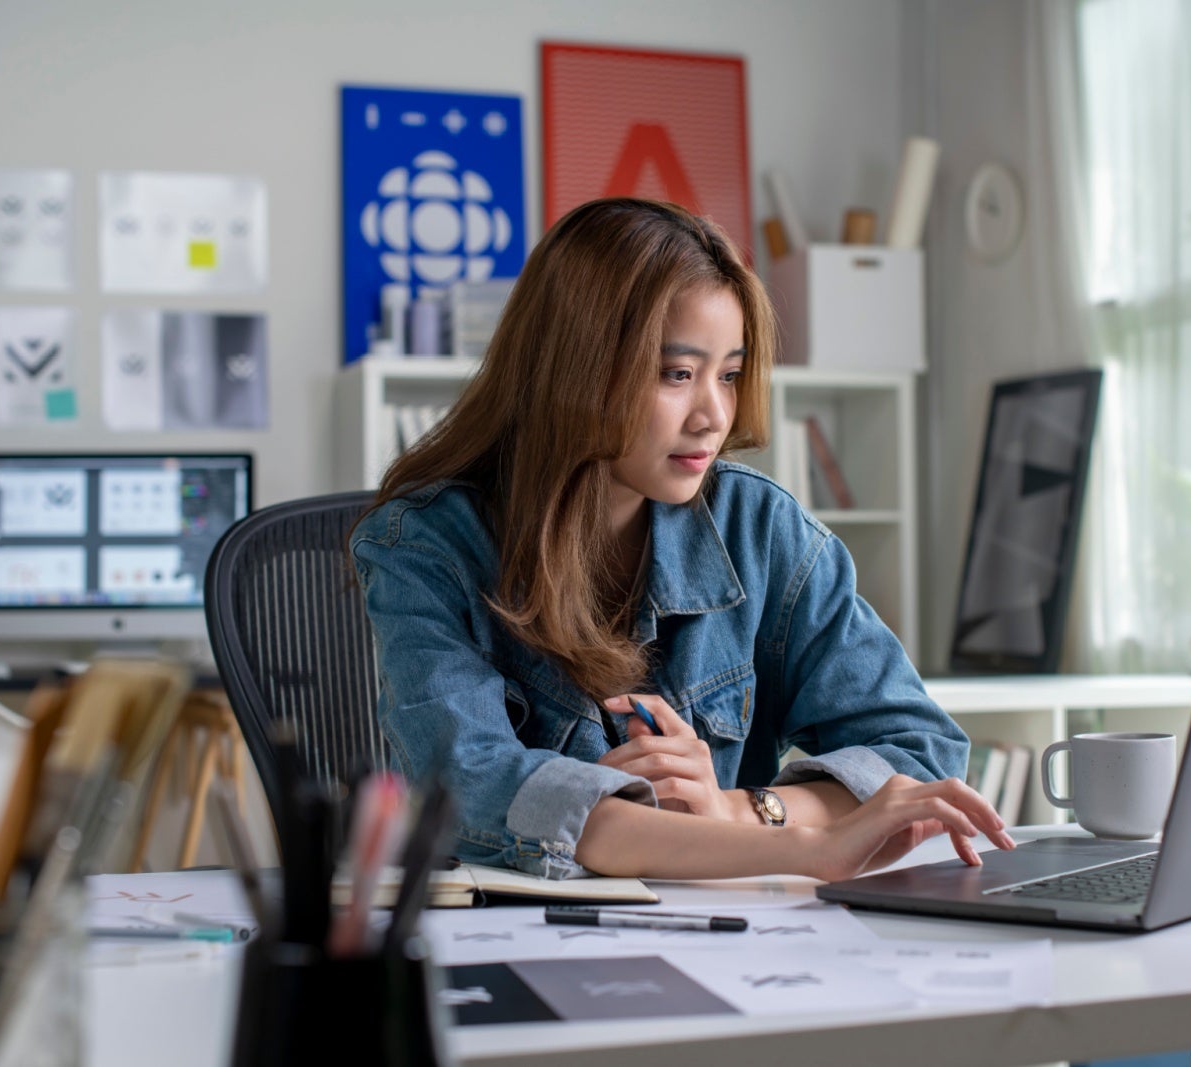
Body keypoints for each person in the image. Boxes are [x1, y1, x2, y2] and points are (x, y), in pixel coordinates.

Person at [350, 197, 1014, 882]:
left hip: (727, 938)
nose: (714, 415)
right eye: (677, 374)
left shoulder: (759, 529)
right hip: (507, 943)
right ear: (576, 367)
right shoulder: (421, 544)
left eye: (728, 374)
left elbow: (921, 748)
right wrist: (804, 847)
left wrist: (740, 811)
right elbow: (474, 787)